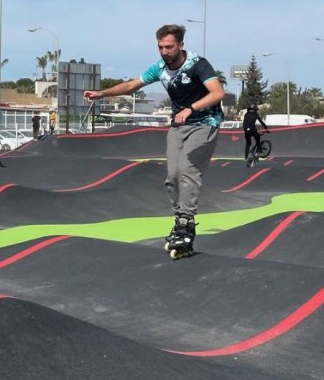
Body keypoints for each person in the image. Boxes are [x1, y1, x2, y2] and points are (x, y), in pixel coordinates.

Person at [83, 24, 225, 257]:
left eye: (169, 47)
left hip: (205, 123)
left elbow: (217, 93)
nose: (164, 52)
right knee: (172, 176)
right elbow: (131, 85)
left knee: (188, 170)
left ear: (180, 45)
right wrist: (101, 94)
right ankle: (180, 220)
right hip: (179, 125)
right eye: (160, 47)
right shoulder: (159, 69)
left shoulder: (198, 64)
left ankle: (186, 222)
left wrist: (191, 108)